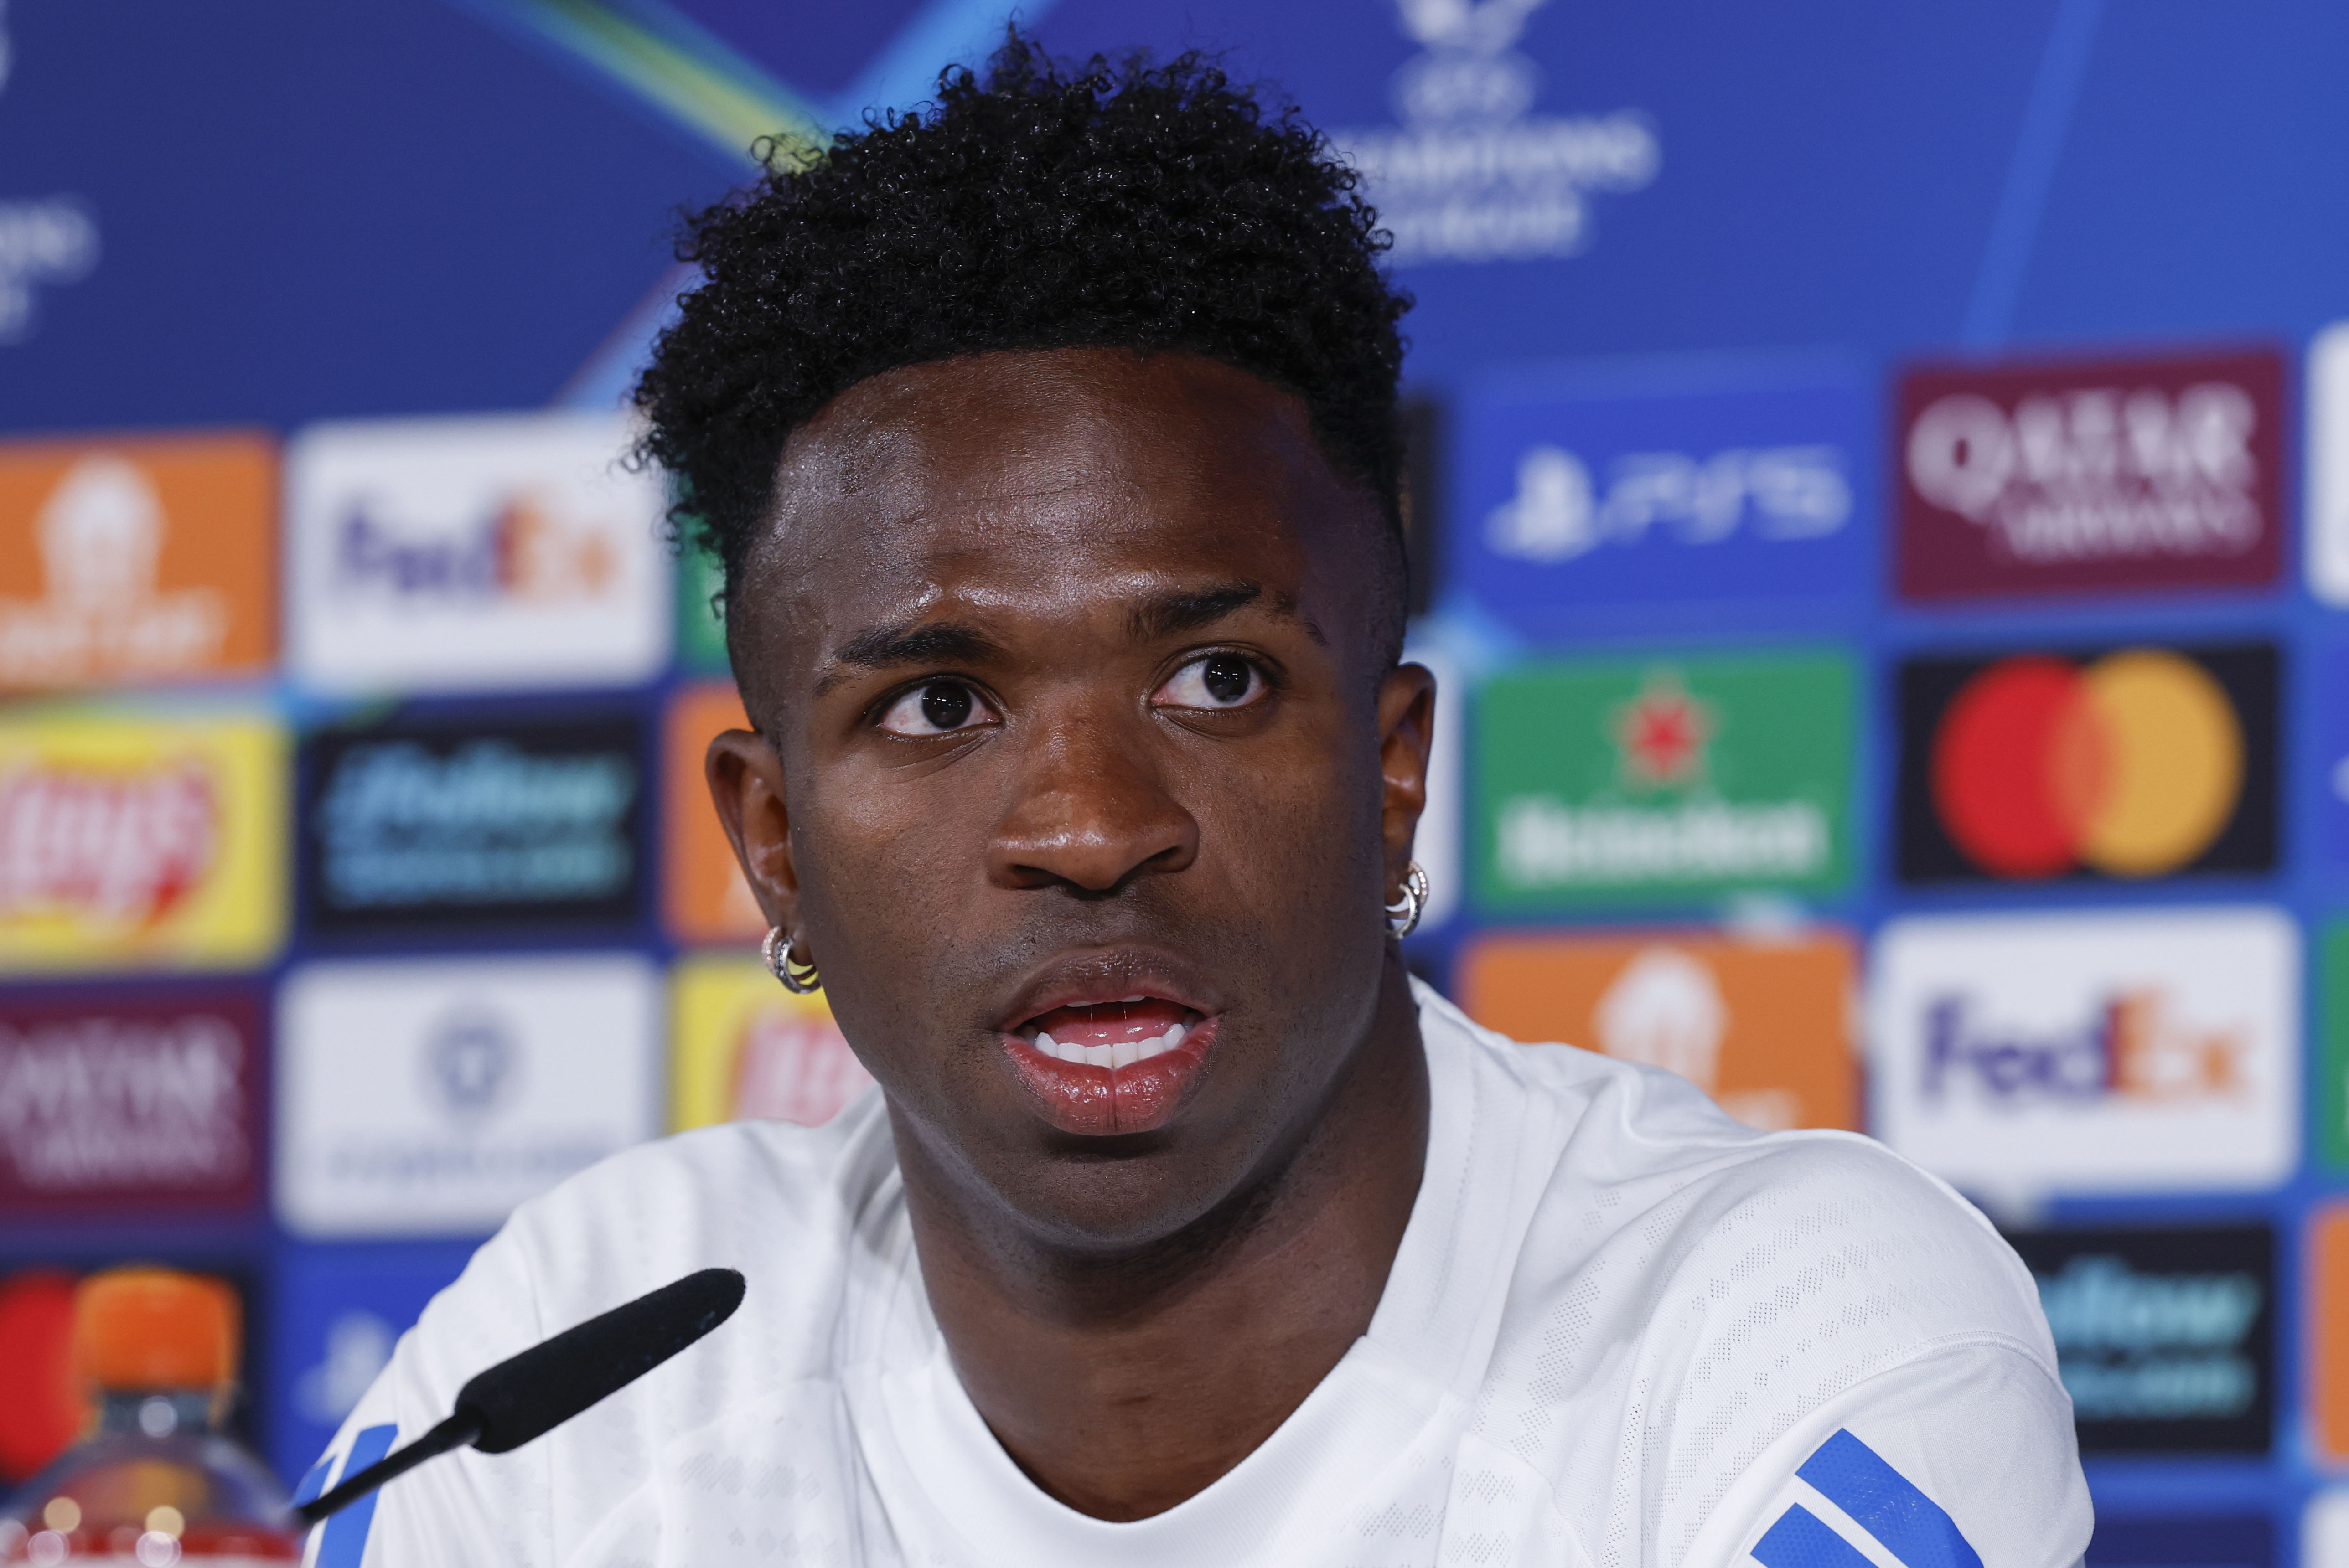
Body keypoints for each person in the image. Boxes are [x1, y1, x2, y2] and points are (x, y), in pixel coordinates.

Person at [309, 36, 2090, 1566]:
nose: (1088, 827)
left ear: (1393, 775)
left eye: (1215, 679)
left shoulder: (1783, 1322)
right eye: (939, 703)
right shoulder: (589, 1356)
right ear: (772, 846)